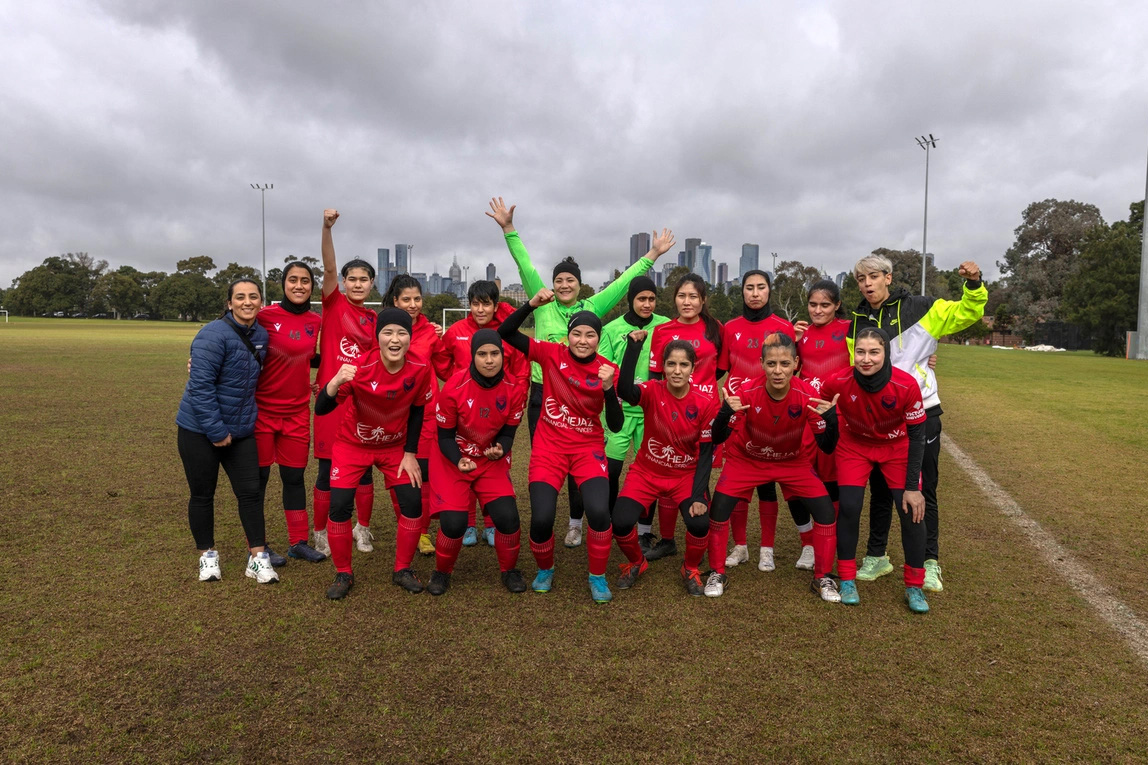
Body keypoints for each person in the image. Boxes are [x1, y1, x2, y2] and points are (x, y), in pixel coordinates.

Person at [486, 197, 674, 548]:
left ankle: (575, 522)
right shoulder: (541, 303)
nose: (564, 285)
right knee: (547, 460)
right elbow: (524, 263)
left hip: (585, 394)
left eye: (570, 280)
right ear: (552, 284)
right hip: (544, 394)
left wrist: (652, 256)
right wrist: (509, 229)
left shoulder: (592, 307)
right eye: (559, 280)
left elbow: (622, 285)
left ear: (579, 284)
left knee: (581, 459)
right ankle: (546, 518)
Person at [848, 256, 986, 592]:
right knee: (880, 490)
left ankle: (929, 562)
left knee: (923, 489)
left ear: (889, 278)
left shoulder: (924, 308)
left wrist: (973, 283)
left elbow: (968, 311)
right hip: (880, 418)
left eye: (874, 276)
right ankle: (877, 556)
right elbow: (858, 367)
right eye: (861, 279)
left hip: (922, 412)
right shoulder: (856, 319)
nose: (867, 284)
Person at [498, 289, 625, 603]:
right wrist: (531, 304)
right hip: (549, 449)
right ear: (568, 336)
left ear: (598, 338)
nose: (582, 340)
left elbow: (617, 423)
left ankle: (597, 577)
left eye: (590, 335)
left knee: (598, 513)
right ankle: (545, 568)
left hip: (587, 449)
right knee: (541, 518)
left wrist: (609, 389)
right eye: (577, 334)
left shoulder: (608, 369)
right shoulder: (551, 353)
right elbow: (505, 332)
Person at [708, 333, 840, 602]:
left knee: (825, 512)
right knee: (719, 508)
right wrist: (724, 412)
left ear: (796, 363)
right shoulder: (746, 392)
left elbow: (826, 447)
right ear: (761, 363)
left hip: (792, 462)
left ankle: (823, 576)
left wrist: (832, 420)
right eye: (771, 364)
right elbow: (718, 437)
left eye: (784, 364)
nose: (777, 371)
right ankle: (716, 571)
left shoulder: (807, 394)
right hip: (747, 460)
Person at [314, 308, 433, 599]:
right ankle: (343, 573)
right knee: (340, 506)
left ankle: (402, 569)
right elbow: (321, 408)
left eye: (402, 333)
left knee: (413, 503)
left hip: (394, 448)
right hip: (352, 445)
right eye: (388, 332)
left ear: (410, 337)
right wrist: (335, 382)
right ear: (377, 337)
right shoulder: (359, 368)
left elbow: (418, 411)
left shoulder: (420, 368)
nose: (395, 339)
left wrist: (410, 453)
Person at [817, 327, 929, 613]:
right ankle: (847, 579)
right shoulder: (837, 381)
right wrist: (828, 422)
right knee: (850, 507)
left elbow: (917, 436)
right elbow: (821, 411)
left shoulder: (906, 385)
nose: (866, 359)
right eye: (861, 352)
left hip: (896, 448)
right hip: (854, 446)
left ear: (886, 353)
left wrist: (913, 488)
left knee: (910, 510)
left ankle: (914, 586)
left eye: (874, 352)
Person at [176, 279, 278, 584]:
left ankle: (258, 559)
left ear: (261, 302)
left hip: (242, 430)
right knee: (203, 495)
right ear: (229, 303)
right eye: (240, 297)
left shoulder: (260, 335)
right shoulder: (212, 334)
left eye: (253, 297)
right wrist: (217, 431)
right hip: (198, 430)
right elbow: (200, 386)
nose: (247, 302)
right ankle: (207, 556)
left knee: (250, 493)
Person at [613, 332, 720, 596]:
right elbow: (625, 390)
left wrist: (698, 495)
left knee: (699, 522)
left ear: (693, 368)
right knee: (621, 521)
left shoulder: (705, 402)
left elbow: (706, 453)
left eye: (684, 365)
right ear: (662, 366)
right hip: (646, 472)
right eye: (671, 364)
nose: (676, 370)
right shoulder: (652, 390)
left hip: (684, 476)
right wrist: (633, 348)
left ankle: (690, 567)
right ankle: (637, 561)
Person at [716, 269, 808, 574]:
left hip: (770, 416)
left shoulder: (783, 328)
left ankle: (766, 550)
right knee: (739, 484)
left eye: (761, 287)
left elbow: (797, 370)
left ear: (769, 291)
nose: (755, 293)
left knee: (768, 483)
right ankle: (740, 546)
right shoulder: (730, 327)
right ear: (742, 292)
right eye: (749, 288)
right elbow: (718, 368)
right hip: (738, 414)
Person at [428, 329, 529, 595]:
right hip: (453, 459)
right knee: (454, 524)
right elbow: (444, 436)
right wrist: (459, 459)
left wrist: (500, 449)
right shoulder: (454, 386)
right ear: (473, 356)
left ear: (502, 355)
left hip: (488, 460)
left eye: (494, 353)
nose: (489, 360)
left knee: (509, 519)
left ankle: (509, 571)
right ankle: (442, 572)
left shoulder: (514, 391)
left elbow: (508, 433)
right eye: (482, 354)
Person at [432, 280, 529, 547]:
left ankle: (491, 524)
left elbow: (520, 368)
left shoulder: (506, 333)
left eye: (486, 303)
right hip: (464, 410)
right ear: (469, 305)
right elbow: (441, 359)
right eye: (475, 303)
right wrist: (456, 386)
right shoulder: (456, 331)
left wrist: (514, 399)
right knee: (464, 462)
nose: (480, 309)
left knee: (493, 463)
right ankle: (469, 524)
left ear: (495, 305)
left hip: (497, 408)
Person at [312, 209, 379, 559]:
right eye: (351, 278)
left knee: (364, 470)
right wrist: (326, 228)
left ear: (372, 284)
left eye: (363, 279)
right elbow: (327, 269)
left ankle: (362, 529)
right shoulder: (333, 303)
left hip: (362, 406)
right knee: (326, 470)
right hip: (330, 401)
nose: (356, 283)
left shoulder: (375, 320)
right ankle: (320, 531)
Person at [643, 273, 723, 561]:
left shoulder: (716, 328)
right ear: (674, 298)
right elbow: (655, 375)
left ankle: (703, 539)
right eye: (681, 296)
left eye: (693, 296)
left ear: (703, 300)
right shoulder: (663, 331)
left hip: (705, 411)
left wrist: (698, 391)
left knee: (701, 475)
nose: (687, 302)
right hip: (670, 411)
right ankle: (667, 541)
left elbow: (720, 368)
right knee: (668, 468)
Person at [253, 262, 326, 563]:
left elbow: (311, 356)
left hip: (297, 413)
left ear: (312, 286)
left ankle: (298, 543)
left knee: (294, 478)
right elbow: (230, 336)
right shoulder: (265, 316)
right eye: (293, 280)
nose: (299, 285)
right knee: (257, 480)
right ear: (283, 283)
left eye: (305, 281)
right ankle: (258, 545)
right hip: (261, 412)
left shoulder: (315, 321)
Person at [595, 277, 669, 530]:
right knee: (611, 471)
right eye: (641, 299)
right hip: (618, 413)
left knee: (650, 475)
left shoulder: (666, 327)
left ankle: (645, 530)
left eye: (651, 299)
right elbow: (604, 367)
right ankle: (608, 521)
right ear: (631, 300)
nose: (647, 304)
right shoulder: (613, 329)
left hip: (651, 414)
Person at [383, 274, 444, 556]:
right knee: (401, 475)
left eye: (417, 299)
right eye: (406, 299)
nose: (412, 304)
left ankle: (422, 532)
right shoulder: (384, 328)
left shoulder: (430, 332)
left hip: (429, 411)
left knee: (425, 474)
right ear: (395, 301)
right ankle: (408, 525)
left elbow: (445, 367)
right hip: (395, 412)